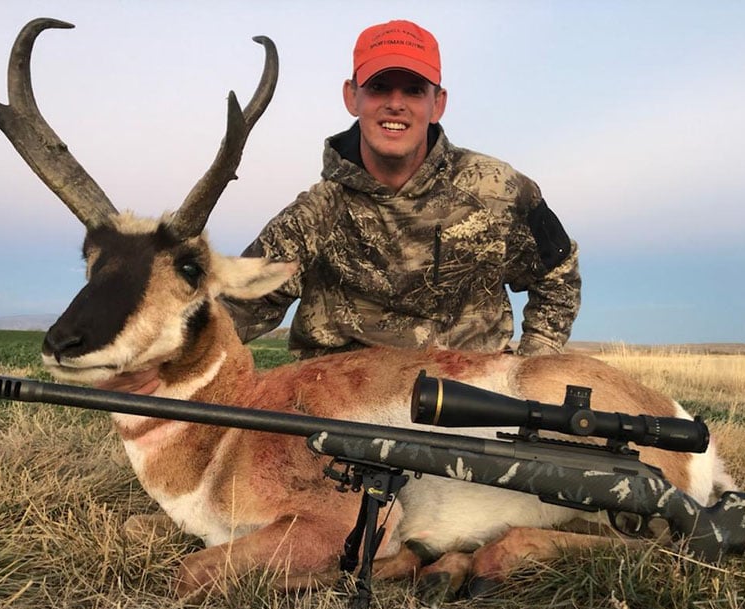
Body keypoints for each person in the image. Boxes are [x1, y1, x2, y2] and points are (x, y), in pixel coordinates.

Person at [225, 19, 581, 359]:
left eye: (413, 90)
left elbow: (557, 272)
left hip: (469, 404)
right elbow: (232, 310)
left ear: (437, 103)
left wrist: (532, 366)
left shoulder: (497, 190)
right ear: (352, 97)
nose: (396, 103)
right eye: (379, 87)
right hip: (337, 406)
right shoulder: (313, 217)